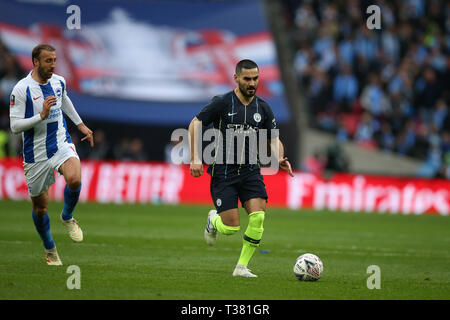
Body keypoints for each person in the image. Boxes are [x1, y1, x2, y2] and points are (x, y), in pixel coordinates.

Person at [188, 59, 293, 278]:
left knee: (258, 218)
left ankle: (241, 267)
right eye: (247, 79)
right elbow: (196, 123)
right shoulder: (222, 102)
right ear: (236, 78)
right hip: (224, 172)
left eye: (255, 78)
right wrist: (196, 157)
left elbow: (273, 138)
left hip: (250, 171)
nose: (252, 83)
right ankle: (213, 220)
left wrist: (280, 157)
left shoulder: (263, 107)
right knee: (230, 228)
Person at [9, 44, 94, 265]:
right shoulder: (21, 89)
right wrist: (41, 115)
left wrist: (81, 125)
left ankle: (67, 216)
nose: (53, 65)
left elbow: (64, 99)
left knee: (75, 179)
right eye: (48, 61)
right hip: (35, 155)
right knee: (40, 208)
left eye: (54, 60)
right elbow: (15, 127)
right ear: (35, 62)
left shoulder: (59, 81)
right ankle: (50, 248)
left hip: (60, 143)